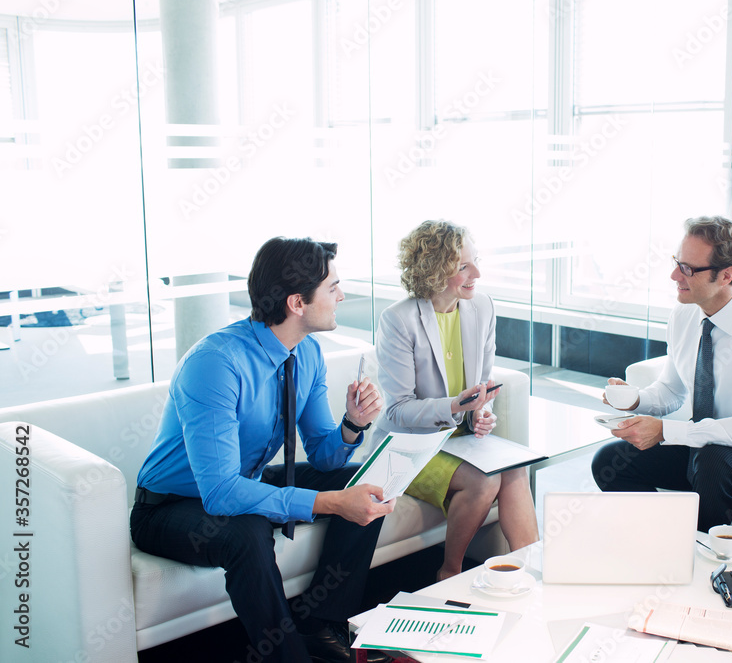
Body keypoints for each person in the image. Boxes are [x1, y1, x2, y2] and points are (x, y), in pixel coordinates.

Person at [131, 237, 394, 663]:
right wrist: (329, 503)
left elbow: (325, 457)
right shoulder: (215, 362)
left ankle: (323, 623)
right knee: (246, 530)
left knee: (358, 479)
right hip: (169, 507)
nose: (342, 296)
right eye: (332, 287)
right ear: (297, 303)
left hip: (244, 480)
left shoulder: (306, 353)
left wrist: (353, 424)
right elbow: (219, 493)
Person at [590, 216, 732, 532]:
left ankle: (695, 565)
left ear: (726, 275)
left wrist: (665, 432)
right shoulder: (684, 314)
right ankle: (658, 540)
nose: (674, 275)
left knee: (714, 462)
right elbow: (671, 392)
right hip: (705, 444)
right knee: (609, 460)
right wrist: (634, 399)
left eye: (688, 268)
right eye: (677, 262)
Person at [374, 220, 539, 581]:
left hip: (458, 440)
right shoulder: (398, 320)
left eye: (474, 261)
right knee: (484, 481)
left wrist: (481, 412)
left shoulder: (482, 307)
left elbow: (481, 387)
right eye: (463, 266)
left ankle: (529, 575)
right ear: (434, 272)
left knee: (513, 469)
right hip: (408, 446)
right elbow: (398, 410)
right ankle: (451, 573)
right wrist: (455, 407)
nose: (476, 273)